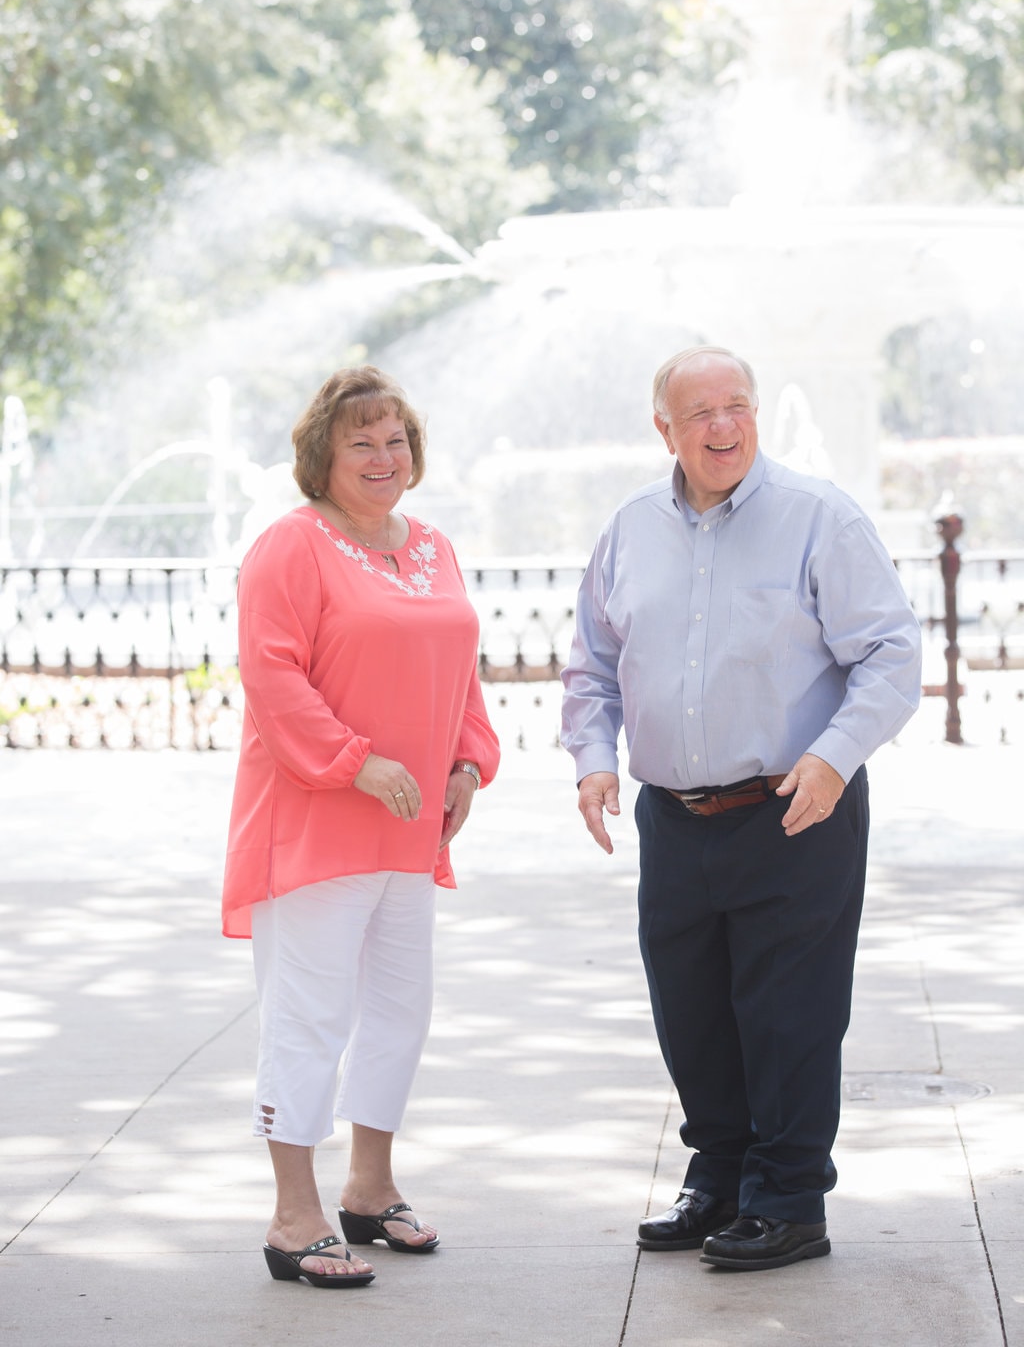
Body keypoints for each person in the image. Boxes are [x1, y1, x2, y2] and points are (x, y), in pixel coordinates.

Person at [560, 346, 921, 1272]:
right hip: (673, 816)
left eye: (738, 406)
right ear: (664, 429)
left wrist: (836, 761)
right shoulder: (631, 527)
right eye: (702, 413)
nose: (724, 427)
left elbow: (890, 655)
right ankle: (718, 1178)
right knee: (691, 1009)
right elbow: (594, 663)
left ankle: (790, 1199)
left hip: (795, 808)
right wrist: (594, 762)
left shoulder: (820, 519)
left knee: (789, 1013)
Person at [223, 365, 500, 1288]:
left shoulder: (433, 546)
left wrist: (467, 762)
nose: (384, 457)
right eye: (362, 443)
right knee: (308, 1019)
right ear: (322, 456)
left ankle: (369, 1190)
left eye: (396, 441)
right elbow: (272, 679)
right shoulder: (288, 548)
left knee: (398, 1013)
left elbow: (461, 669)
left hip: (410, 832)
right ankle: (292, 1217)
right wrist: (357, 762)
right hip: (315, 825)